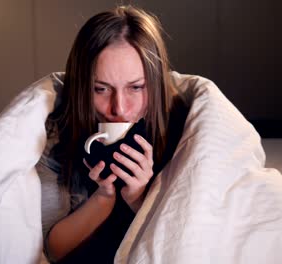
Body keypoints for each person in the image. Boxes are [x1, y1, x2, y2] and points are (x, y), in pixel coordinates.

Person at [43, 5, 189, 263]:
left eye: (136, 87)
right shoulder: (55, 132)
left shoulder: (183, 125)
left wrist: (139, 199)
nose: (119, 108)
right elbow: (53, 250)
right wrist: (103, 198)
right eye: (101, 89)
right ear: (81, 88)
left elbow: (187, 240)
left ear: (154, 84)